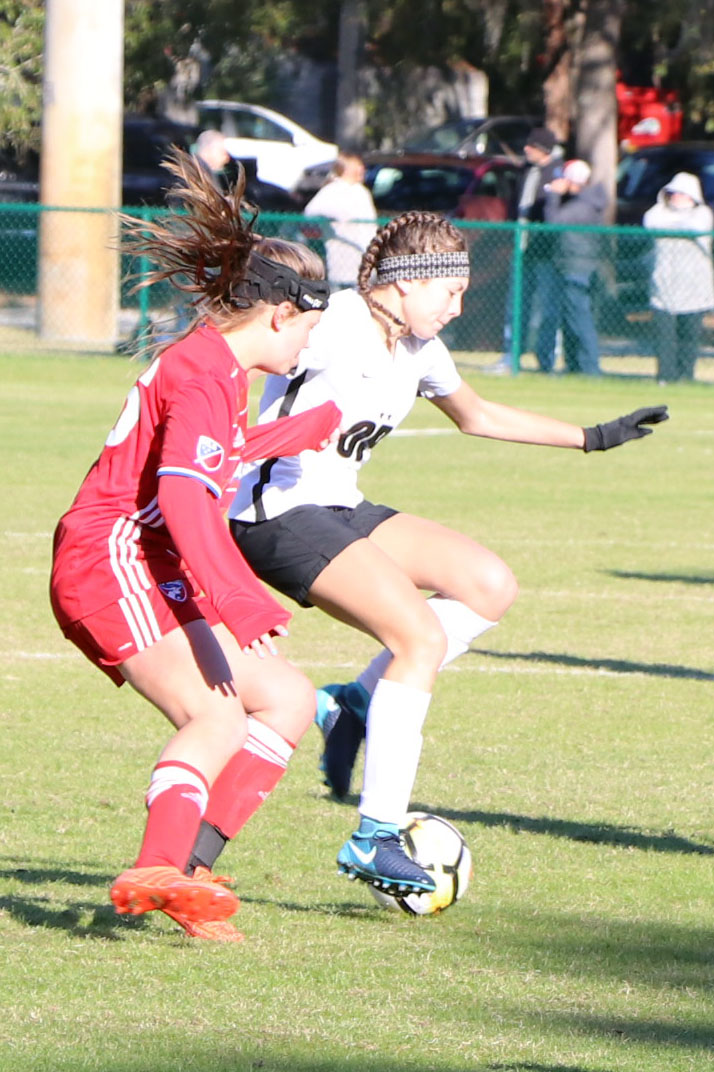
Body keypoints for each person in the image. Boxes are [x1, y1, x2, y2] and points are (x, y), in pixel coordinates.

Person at [176, 209, 668, 900]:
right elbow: (244, 349)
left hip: (338, 504)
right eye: (451, 291)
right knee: (419, 636)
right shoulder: (339, 322)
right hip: (272, 514)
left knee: (488, 584)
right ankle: (373, 836)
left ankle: (352, 704)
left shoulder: (415, 348)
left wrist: (592, 437)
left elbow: (480, 417)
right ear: (406, 284)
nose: (459, 306)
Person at [49, 149, 340, 942]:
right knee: (212, 719)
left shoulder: (217, 369)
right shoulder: (204, 371)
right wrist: (240, 597)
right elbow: (180, 494)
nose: (308, 347)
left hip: (148, 561)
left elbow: (214, 454)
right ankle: (158, 874)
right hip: (109, 559)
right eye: (310, 327)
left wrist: (295, 429)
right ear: (279, 313)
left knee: (287, 699)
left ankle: (192, 872)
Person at [485, 126, 564, 374]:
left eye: (531, 146)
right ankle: (511, 357)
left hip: (547, 252)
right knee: (516, 305)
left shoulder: (556, 173)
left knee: (547, 309)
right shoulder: (525, 171)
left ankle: (546, 360)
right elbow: (514, 205)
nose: (526, 149)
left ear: (542, 149)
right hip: (523, 250)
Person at [642, 171, 714, 383]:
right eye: (673, 193)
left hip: (694, 286)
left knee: (689, 335)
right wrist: (673, 223)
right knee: (664, 335)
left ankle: (685, 376)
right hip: (663, 284)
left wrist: (671, 225)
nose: (676, 197)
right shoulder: (659, 212)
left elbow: (695, 227)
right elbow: (651, 221)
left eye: (681, 194)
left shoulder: (702, 214)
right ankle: (665, 376)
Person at [539, 158, 608, 376]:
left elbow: (554, 222)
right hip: (571, 265)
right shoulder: (584, 201)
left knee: (580, 319)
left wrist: (553, 196)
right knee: (571, 318)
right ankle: (575, 365)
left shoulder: (583, 205)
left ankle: (590, 368)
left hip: (577, 268)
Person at [303, 150, 378, 289]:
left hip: (367, 258)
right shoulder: (332, 190)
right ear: (346, 168)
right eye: (357, 166)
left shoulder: (361, 192)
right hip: (342, 263)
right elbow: (310, 211)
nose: (362, 169)